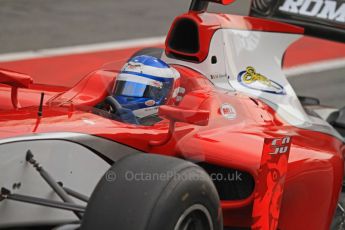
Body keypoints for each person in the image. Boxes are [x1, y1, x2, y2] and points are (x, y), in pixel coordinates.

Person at [106, 55, 180, 125]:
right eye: (123, 86)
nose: (124, 96)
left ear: (160, 95)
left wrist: (134, 126)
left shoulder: (167, 127)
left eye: (137, 89)